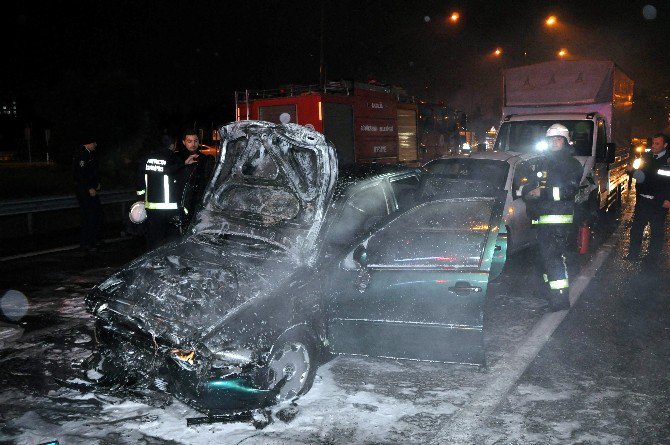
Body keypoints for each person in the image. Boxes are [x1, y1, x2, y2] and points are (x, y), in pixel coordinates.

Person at [522, 123, 583, 311]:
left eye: (558, 139)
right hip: (542, 219)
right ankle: (550, 294)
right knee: (544, 260)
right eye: (551, 139)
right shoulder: (542, 162)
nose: (554, 142)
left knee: (554, 259)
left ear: (565, 141)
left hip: (558, 219)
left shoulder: (572, 164)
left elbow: (569, 190)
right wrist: (528, 192)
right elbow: (528, 185)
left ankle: (560, 300)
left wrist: (543, 192)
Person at [626, 133, 670, 263]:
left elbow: (663, 181)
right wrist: (633, 171)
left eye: (657, 144)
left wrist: (668, 199)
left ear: (665, 145)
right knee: (636, 229)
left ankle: (652, 259)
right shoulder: (646, 157)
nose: (654, 146)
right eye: (653, 143)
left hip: (659, 202)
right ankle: (633, 255)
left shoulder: (668, 160)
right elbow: (642, 177)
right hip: (643, 200)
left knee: (656, 231)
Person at [137, 134, 181, 249]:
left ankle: (152, 261)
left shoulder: (147, 158)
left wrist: (141, 196)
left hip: (151, 206)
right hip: (169, 207)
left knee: (153, 236)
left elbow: (140, 178)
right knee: (170, 239)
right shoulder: (173, 158)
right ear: (173, 145)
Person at [174, 129, 215, 229]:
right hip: (181, 200)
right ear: (184, 142)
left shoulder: (204, 158)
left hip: (198, 200)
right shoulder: (177, 158)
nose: (193, 144)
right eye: (189, 141)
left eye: (195, 141)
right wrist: (184, 166)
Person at [73, 139, 103, 252]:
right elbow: (80, 174)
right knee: (88, 216)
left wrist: (96, 183)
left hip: (91, 189)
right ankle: (86, 242)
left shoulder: (89, 154)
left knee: (97, 214)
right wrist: (89, 187)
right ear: (88, 143)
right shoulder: (82, 154)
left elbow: (92, 171)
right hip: (85, 191)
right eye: (94, 143)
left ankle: (94, 239)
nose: (96, 145)